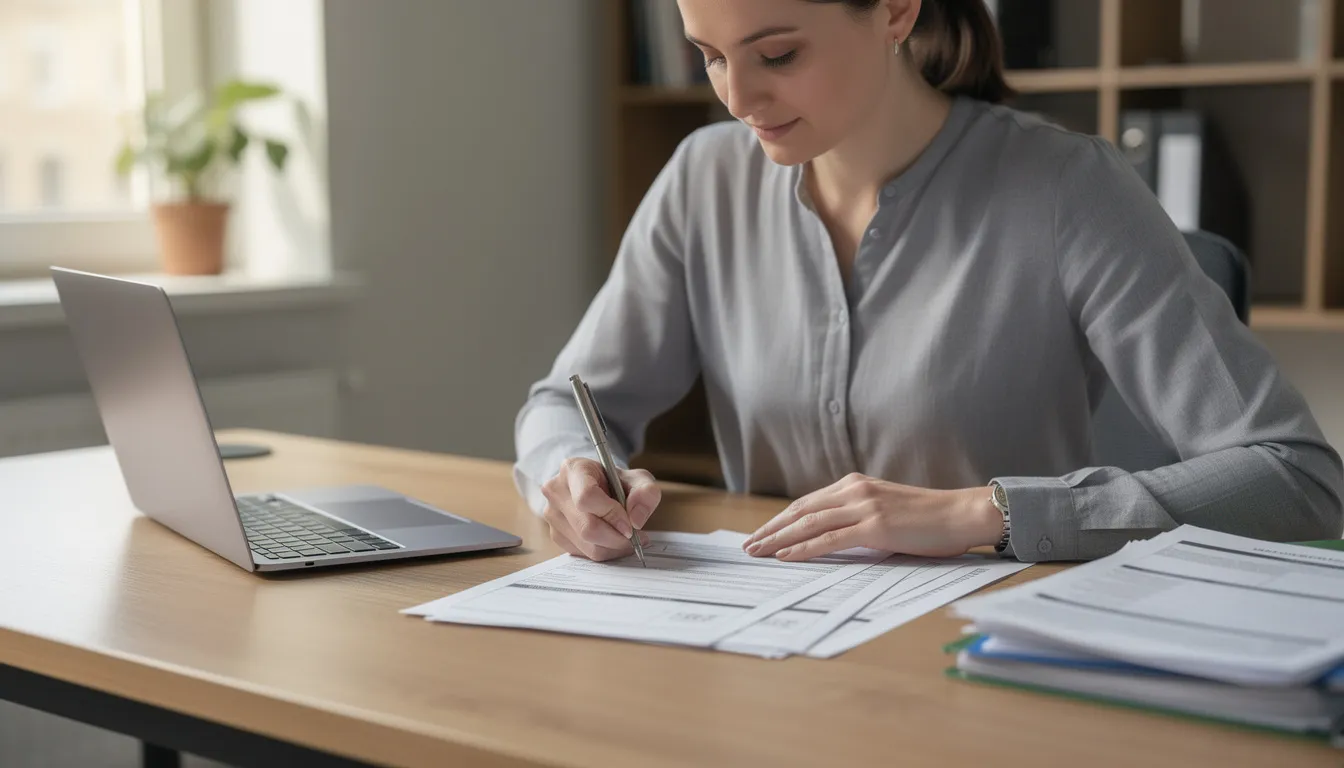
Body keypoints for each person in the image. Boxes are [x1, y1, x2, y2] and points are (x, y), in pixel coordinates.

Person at [511, 0, 1344, 564]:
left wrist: (982, 513)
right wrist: (575, 473)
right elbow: (563, 403)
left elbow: (1296, 478)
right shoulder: (703, 179)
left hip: (989, 659)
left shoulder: (1066, 188)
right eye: (709, 56)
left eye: (776, 53)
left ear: (897, 11)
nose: (736, 96)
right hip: (762, 654)